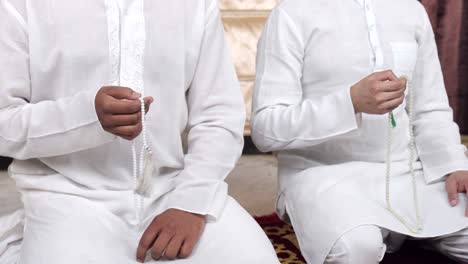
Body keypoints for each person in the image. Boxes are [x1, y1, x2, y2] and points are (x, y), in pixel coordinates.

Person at [0, 0, 280, 263]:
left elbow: (218, 115)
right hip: (66, 195)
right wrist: (85, 117)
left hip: (171, 188)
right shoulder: (20, 5)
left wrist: (191, 202)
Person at [251, 0, 468, 263]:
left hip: (406, 173)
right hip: (320, 176)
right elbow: (266, 127)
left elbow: (429, 107)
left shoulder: (410, 9)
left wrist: (453, 164)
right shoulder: (292, 13)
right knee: (356, 248)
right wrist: (349, 103)